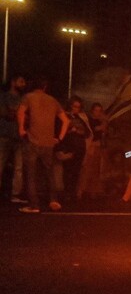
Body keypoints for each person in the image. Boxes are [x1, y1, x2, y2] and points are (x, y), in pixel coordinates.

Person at [17, 76, 70, 213]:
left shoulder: (28, 97)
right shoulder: (53, 100)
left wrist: (21, 129)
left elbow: (21, 112)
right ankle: (54, 200)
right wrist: (59, 138)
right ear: (45, 87)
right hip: (48, 143)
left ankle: (34, 205)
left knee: (31, 174)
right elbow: (66, 120)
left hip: (33, 140)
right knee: (49, 173)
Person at [56, 96, 91, 201]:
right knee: (68, 170)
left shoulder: (80, 118)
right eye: (75, 106)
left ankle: (72, 192)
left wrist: (79, 131)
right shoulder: (64, 117)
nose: (76, 109)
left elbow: (88, 132)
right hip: (69, 147)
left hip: (79, 148)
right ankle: (67, 192)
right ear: (70, 106)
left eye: (78, 107)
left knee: (76, 171)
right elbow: (59, 131)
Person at [0, 74, 27, 203]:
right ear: (13, 82)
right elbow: (6, 114)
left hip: (19, 137)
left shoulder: (24, 98)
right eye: (21, 81)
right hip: (4, 135)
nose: (23, 84)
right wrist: (18, 113)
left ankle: (15, 195)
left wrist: (15, 112)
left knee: (19, 168)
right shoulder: (4, 96)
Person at [77, 102, 107, 200]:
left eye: (99, 111)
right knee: (86, 169)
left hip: (98, 147)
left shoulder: (100, 121)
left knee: (96, 170)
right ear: (92, 111)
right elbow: (92, 131)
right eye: (96, 110)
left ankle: (93, 191)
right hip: (91, 146)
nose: (97, 113)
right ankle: (80, 191)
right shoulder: (89, 121)